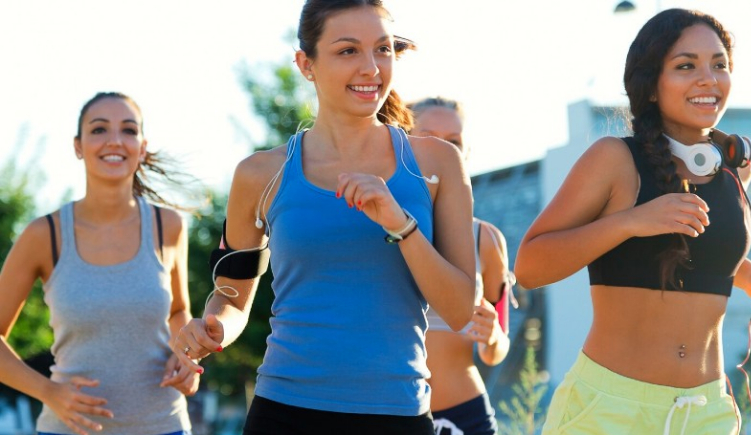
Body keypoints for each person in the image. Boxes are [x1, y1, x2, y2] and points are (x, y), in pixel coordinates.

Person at [173, 1, 476, 434]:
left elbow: (460, 308)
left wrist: (400, 223)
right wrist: (214, 327)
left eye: (384, 49)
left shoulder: (437, 163)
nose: (372, 67)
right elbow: (232, 297)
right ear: (305, 64)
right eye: (348, 51)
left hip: (397, 415)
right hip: (284, 412)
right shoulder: (260, 174)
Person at [514, 9, 751, 435]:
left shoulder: (733, 169)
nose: (708, 79)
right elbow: (529, 267)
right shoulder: (613, 159)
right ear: (651, 86)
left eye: (719, 65)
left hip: (707, 412)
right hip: (608, 410)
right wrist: (629, 222)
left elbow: (700, 256)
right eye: (685, 66)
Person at [0, 92, 197, 435]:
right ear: (78, 146)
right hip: (67, 429)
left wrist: (186, 356)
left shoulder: (170, 227)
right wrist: (48, 392)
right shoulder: (43, 235)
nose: (115, 140)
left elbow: (179, 312)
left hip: (163, 426)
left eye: (129, 130)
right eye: (99, 129)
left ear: (142, 146)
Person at [408, 96, 512, 435]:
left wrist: (493, 336)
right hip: (388, 414)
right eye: (428, 137)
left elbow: (496, 350)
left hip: (465, 417)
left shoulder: (486, 239)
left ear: (465, 155)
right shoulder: (370, 224)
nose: (442, 150)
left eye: (453, 142)